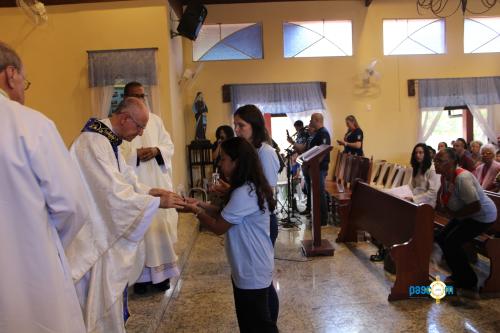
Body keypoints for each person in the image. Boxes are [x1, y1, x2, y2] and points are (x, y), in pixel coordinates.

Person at [66, 97, 185, 333]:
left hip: (103, 233)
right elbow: (112, 195)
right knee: (97, 306)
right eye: (139, 126)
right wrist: (155, 202)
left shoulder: (107, 140)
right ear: (123, 118)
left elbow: (125, 179)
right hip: (94, 240)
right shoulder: (93, 143)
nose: (141, 133)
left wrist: (150, 191)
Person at [0, 41, 88, 333]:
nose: (23, 88)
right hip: (31, 273)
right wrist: (43, 243)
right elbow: (72, 206)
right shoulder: (30, 125)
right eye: (24, 81)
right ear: (11, 75)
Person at [181, 137, 278, 333]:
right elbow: (223, 212)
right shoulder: (247, 186)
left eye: (223, 159)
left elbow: (218, 226)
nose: (219, 163)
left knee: (258, 326)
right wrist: (199, 203)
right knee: (253, 322)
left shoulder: (245, 192)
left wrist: (195, 211)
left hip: (251, 267)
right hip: (250, 265)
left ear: (237, 162)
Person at [119, 82, 179, 294]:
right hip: (137, 185)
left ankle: (162, 277)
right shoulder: (121, 123)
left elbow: (169, 147)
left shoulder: (156, 121)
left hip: (156, 181)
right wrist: (136, 155)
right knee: (142, 230)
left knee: (159, 228)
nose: (141, 99)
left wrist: (156, 150)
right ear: (126, 99)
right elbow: (120, 156)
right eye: (136, 96)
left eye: (143, 95)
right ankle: (143, 279)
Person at [232, 104, 280, 323]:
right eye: (235, 126)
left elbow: (265, 192)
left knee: (263, 280)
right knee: (257, 279)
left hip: (263, 220)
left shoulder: (266, 153)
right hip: (251, 218)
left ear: (255, 126)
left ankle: (269, 322)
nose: (237, 130)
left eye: (241, 125)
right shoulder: (249, 151)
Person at [434, 148, 497, 292]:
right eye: (435, 161)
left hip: (482, 217)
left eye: (440, 161)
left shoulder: (463, 178)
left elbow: (475, 206)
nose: (436, 164)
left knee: (451, 242)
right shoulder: (445, 175)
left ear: (452, 163)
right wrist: (441, 206)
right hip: (466, 215)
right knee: (442, 237)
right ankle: (458, 274)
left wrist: (454, 215)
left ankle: (468, 280)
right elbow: (442, 192)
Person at [370, 143, 441, 262]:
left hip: (426, 205)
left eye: (421, 153)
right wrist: (396, 192)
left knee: (398, 218)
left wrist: (413, 198)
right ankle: (387, 248)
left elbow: (432, 193)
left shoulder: (432, 170)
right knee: (391, 212)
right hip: (414, 201)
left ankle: (393, 250)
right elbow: (410, 186)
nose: (418, 155)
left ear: (426, 155)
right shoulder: (417, 168)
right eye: (416, 153)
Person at [302, 113, 331, 226]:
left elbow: (322, 153)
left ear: (317, 120)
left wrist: (313, 166)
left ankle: (323, 219)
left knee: (320, 192)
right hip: (315, 167)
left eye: (311, 119)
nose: (310, 121)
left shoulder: (323, 133)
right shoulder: (317, 133)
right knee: (316, 192)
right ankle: (316, 215)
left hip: (320, 168)